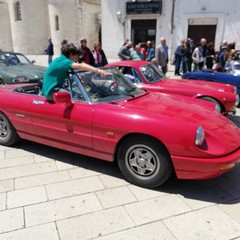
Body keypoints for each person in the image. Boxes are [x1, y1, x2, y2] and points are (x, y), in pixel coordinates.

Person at [41, 43, 107, 101]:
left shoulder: (61, 61)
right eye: (77, 56)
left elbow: (78, 73)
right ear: (71, 54)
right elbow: (81, 66)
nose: (78, 58)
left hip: (56, 89)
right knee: (79, 97)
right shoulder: (63, 61)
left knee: (81, 92)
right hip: (51, 92)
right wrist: (98, 71)